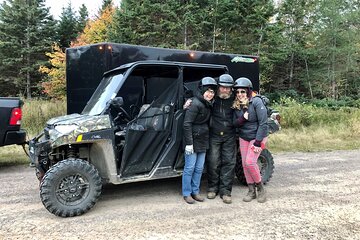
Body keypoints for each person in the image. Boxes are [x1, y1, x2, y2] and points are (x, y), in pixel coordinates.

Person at [232, 77, 269, 203]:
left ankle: (261, 189)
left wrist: (258, 142)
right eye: (237, 92)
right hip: (244, 136)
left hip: (258, 136)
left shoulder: (257, 102)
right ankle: (251, 191)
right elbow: (235, 123)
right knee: (244, 164)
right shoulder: (237, 105)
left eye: (242, 91)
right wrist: (243, 118)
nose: (240, 94)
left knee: (250, 162)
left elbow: (263, 124)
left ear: (248, 91)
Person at [182, 77, 217, 204]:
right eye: (207, 91)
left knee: (199, 168)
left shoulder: (208, 104)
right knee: (189, 168)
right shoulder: (195, 104)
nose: (210, 94)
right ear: (202, 90)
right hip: (193, 140)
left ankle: (195, 192)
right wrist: (189, 144)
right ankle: (186, 193)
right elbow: (187, 124)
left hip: (203, 139)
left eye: (212, 92)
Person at [206, 74, 236, 204]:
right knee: (213, 162)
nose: (225, 90)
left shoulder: (235, 99)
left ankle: (226, 192)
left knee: (229, 163)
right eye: (223, 87)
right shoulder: (212, 98)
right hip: (214, 135)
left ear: (231, 89)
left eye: (228, 88)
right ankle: (213, 188)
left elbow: (248, 97)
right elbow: (199, 96)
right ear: (218, 87)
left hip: (230, 135)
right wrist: (188, 102)